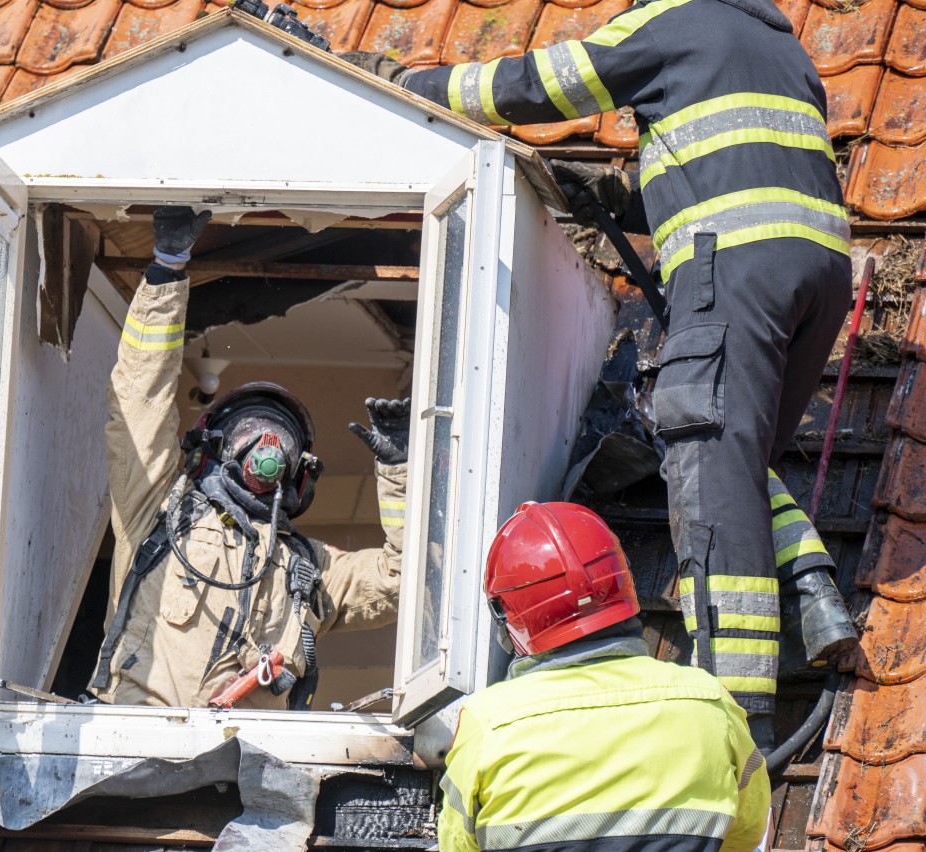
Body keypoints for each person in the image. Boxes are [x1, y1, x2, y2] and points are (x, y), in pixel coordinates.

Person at [340, 0, 856, 748]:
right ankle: (812, 590)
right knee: (737, 458)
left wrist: (402, 83)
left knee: (709, 483)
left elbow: (530, 87)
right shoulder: (784, 48)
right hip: (818, 274)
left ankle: (739, 726)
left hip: (733, 272)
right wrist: (618, 196)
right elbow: (734, 166)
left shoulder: (675, 22)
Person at [88, 206, 409, 710]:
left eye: (282, 438)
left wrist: (398, 470)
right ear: (216, 445)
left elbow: (401, 579)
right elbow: (138, 401)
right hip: (132, 743)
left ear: (299, 473)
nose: (268, 448)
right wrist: (166, 269)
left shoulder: (311, 571)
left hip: (242, 775)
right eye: (251, 430)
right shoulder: (158, 511)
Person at [438, 501, 770, 852]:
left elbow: (456, 844)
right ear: (622, 580)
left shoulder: (488, 725)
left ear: (508, 615)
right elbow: (747, 832)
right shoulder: (711, 704)